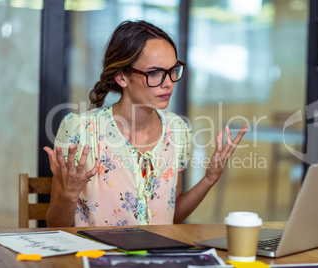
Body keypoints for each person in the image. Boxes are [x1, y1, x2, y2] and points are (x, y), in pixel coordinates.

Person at [44, 20, 247, 227]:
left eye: (172, 70)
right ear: (122, 77)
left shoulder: (178, 130)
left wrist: (209, 179)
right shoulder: (80, 130)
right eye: (154, 73)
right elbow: (54, 225)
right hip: (96, 257)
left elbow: (172, 214)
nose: (168, 83)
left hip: (156, 258)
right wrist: (68, 195)